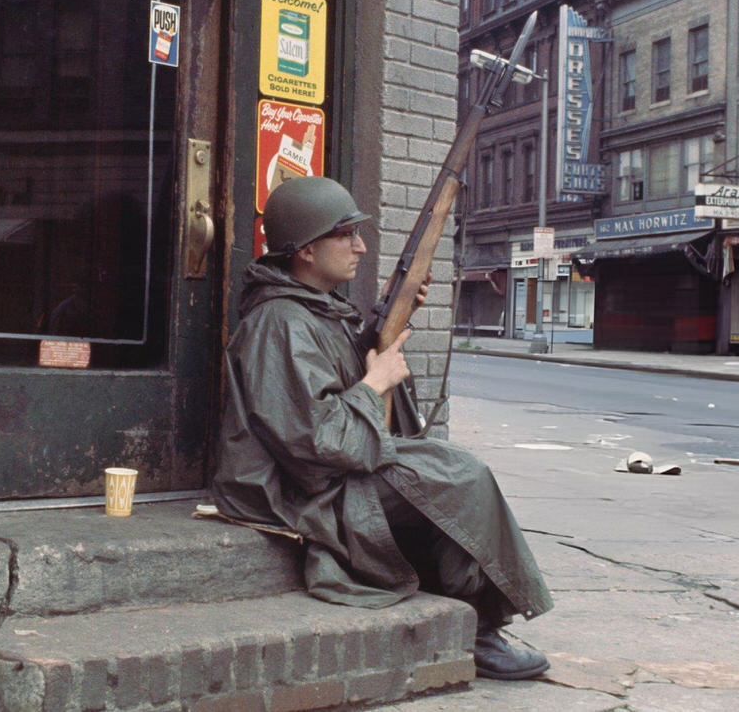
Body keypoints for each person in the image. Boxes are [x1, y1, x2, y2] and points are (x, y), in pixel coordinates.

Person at [211, 176, 552, 680]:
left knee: (447, 468)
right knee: (458, 477)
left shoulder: (312, 309)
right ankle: (477, 631)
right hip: (304, 489)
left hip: (331, 473)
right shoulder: (280, 321)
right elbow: (319, 441)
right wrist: (375, 383)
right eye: (345, 234)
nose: (360, 246)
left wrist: (392, 322)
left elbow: (330, 387)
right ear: (305, 251)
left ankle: (470, 615)